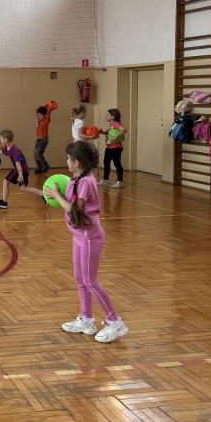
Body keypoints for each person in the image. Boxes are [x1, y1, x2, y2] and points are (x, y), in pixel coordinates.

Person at [44, 141, 128, 343]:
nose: (67, 161)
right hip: (79, 236)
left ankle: (115, 322)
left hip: (90, 238)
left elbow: (74, 209)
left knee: (90, 281)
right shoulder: (75, 179)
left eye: (69, 158)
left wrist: (55, 195)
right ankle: (86, 319)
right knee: (80, 279)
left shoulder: (86, 182)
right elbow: (65, 201)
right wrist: (49, 194)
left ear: (77, 162)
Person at [0, 129, 30, 209]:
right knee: (23, 188)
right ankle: (42, 194)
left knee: (5, 182)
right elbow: (2, 152)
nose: (0, 141)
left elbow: (18, 164)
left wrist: (20, 175)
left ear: (5, 140)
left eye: (1, 139)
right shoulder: (8, 147)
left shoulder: (14, 150)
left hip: (20, 170)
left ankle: (4, 202)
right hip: (20, 169)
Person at [99, 109, 127, 188]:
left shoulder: (116, 124)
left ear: (113, 117)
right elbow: (107, 133)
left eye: (108, 115)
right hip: (109, 147)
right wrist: (102, 132)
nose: (106, 116)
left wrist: (116, 136)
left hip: (116, 148)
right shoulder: (110, 125)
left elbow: (124, 130)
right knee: (106, 162)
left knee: (117, 164)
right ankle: (105, 179)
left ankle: (120, 181)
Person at [35, 101, 56, 173]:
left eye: (40, 115)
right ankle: (39, 167)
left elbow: (48, 111)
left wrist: (48, 108)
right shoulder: (39, 120)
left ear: (44, 115)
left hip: (43, 140)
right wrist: (44, 106)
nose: (39, 116)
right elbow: (37, 109)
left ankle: (45, 166)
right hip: (38, 140)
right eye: (38, 115)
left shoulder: (46, 120)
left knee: (38, 153)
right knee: (35, 154)